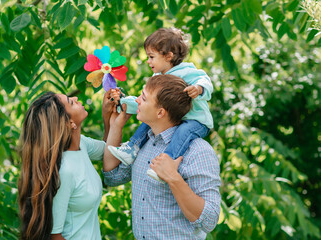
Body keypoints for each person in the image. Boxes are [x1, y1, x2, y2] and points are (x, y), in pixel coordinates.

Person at [103, 75, 221, 239]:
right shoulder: (143, 144)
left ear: (160, 112)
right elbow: (112, 177)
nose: (137, 100)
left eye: (143, 98)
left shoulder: (198, 151)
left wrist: (173, 178)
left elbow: (209, 220)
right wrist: (116, 126)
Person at [108, 27, 213, 182]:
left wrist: (199, 88)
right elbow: (145, 103)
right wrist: (122, 102)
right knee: (148, 120)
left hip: (195, 121)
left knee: (182, 133)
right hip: (174, 119)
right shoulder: (158, 77)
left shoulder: (186, 70)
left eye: (151, 57)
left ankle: (167, 162)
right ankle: (132, 148)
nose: (148, 61)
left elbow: (205, 80)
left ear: (168, 56)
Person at [18, 91, 115, 240]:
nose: (76, 98)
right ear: (69, 123)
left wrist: (109, 117)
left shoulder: (81, 144)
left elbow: (110, 152)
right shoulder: (65, 171)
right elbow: (55, 236)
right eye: (71, 102)